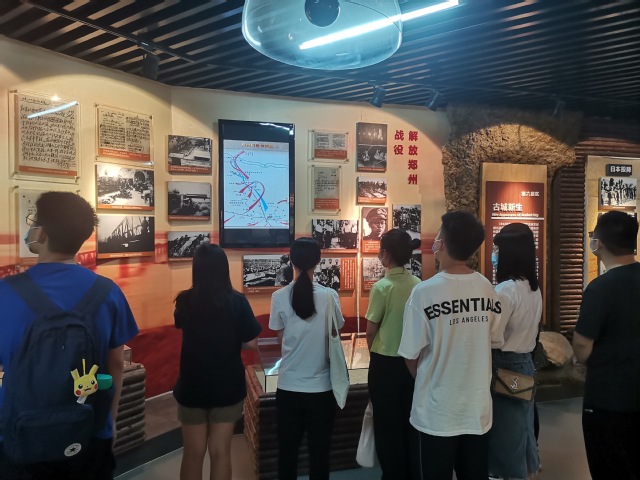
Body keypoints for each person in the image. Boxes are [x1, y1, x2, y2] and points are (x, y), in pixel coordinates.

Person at [0, 191, 139, 480]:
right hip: (90, 434)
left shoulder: (6, 292)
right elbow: (116, 364)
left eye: (33, 221)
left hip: (19, 436)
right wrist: (110, 422)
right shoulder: (108, 292)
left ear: (41, 234)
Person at [398, 211, 501, 480]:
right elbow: (493, 339)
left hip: (436, 412)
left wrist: (430, 380)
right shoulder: (487, 289)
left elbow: (410, 355)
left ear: (441, 243)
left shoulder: (424, 292)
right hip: (476, 410)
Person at [173, 243, 261, 480]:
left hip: (192, 385)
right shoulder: (238, 302)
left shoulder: (184, 301)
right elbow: (251, 343)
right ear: (224, 269)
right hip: (227, 386)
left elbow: (182, 325)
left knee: (192, 454)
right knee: (221, 452)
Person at [269, 238, 345, 480]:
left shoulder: (279, 296)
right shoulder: (329, 296)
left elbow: (281, 338)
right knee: (319, 455)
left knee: (287, 454)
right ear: (318, 261)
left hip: (288, 388)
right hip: (321, 390)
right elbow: (336, 329)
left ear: (291, 261)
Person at [573, 211, 640, 480]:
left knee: (609, 468)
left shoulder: (601, 288)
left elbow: (582, 344)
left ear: (598, 243)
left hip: (608, 397)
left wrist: (581, 360)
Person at [365, 229, 422, 479]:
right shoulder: (419, 285)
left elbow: (371, 331)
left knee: (387, 426)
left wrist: (373, 354)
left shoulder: (382, 287)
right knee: (411, 422)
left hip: (384, 365)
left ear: (385, 253)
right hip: (413, 362)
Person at [487, 223, 542, 480]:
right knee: (523, 428)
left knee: (506, 436)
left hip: (505, 366)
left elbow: (493, 335)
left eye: (498, 250)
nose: (494, 255)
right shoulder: (532, 286)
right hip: (525, 363)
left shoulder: (505, 290)